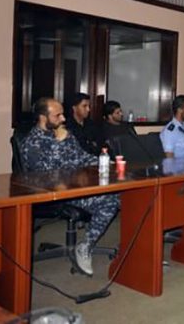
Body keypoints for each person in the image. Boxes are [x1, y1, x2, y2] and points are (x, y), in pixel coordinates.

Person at [20, 97, 119, 276]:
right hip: (53, 194)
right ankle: (86, 246)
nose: (63, 119)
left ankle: (128, 248)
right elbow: (47, 175)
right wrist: (59, 144)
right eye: (57, 115)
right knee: (109, 201)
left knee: (122, 194)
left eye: (63, 114)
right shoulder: (32, 144)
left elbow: (82, 157)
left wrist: (105, 163)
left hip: (76, 186)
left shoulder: (63, 133)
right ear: (43, 117)